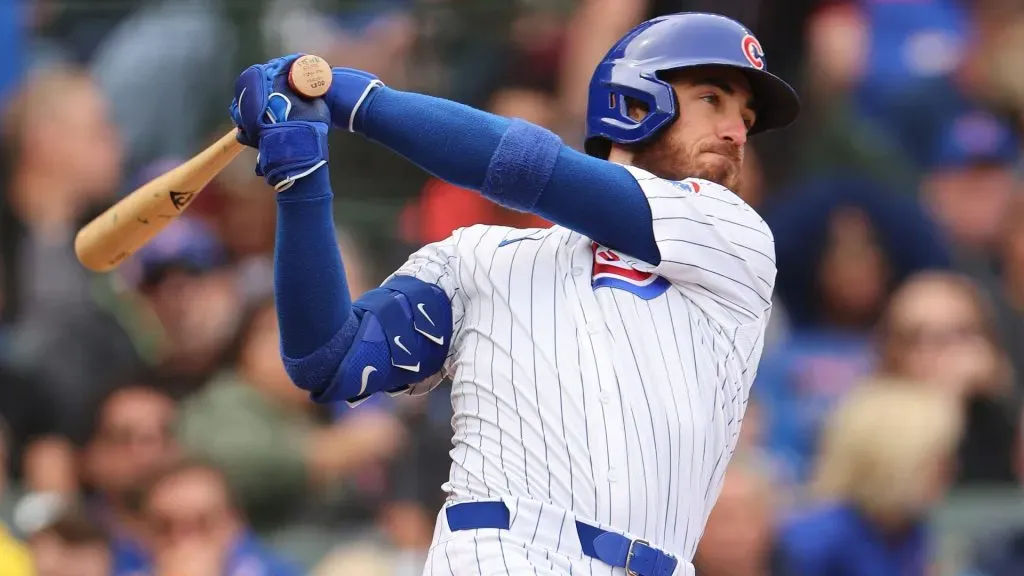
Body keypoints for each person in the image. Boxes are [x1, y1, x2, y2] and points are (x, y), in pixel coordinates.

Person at [228, 11, 799, 576]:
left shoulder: (734, 236)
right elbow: (329, 358)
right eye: (712, 100)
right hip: (499, 553)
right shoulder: (479, 255)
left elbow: (526, 168)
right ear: (636, 101)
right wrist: (300, 177)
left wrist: (357, 101)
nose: (736, 131)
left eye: (746, 118)